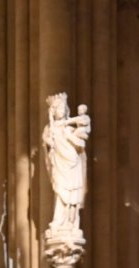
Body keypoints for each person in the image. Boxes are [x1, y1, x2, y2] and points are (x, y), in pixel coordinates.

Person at [42, 92, 91, 233]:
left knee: (72, 194)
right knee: (60, 191)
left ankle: (71, 221)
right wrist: (49, 142)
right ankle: (59, 221)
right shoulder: (49, 129)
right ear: (53, 111)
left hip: (72, 164)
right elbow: (47, 142)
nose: (61, 111)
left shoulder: (70, 128)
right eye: (58, 109)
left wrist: (70, 136)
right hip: (59, 165)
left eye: (63, 109)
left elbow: (81, 145)